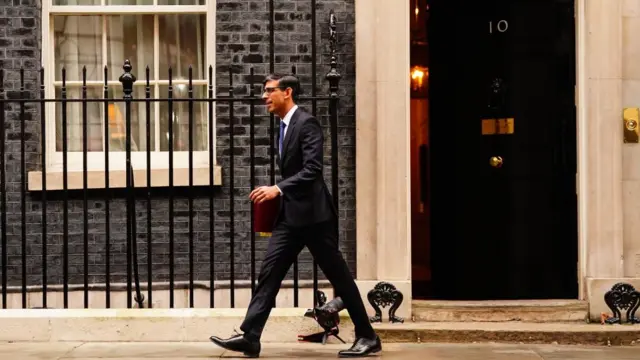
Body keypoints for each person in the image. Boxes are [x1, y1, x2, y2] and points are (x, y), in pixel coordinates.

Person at [209, 74, 382, 358]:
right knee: (270, 273)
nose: (264, 96)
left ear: (287, 92)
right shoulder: (283, 126)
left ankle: (367, 335)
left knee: (340, 277)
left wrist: (277, 189)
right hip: (291, 218)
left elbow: (313, 169)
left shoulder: (306, 123)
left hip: (315, 218)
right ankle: (250, 336)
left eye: (269, 91)